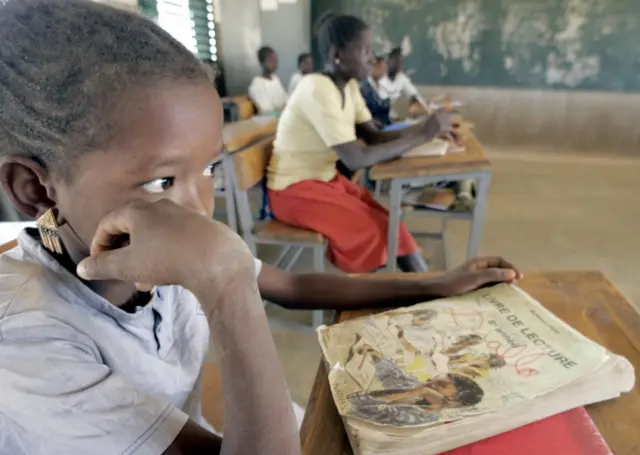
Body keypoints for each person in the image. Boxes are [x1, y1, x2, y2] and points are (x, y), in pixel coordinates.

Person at [0, 1, 522, 454]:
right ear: (36, 190)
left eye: (207, 170)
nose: (198, 210)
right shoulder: (24, 335)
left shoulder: (162, 246)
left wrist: (434, 283)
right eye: (161, 181)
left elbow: (291, 285)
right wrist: (224, 284)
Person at [267, 13, 457, 273]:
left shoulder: (349, 87)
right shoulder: (316, 88)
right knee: (371, 230)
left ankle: (427, 286)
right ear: (337, 56)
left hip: (324, 180)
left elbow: (375, 137)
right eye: (365, 49)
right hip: (293, 190)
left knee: (389, 221)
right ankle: (403, 291)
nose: (372, 57)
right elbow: (355, 159)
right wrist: (422, 135)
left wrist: (428, 128)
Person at [248, 46, 288, 115]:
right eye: (271, 60)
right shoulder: (257, 84)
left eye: (276, 60)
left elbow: (286, 100)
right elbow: (267, 111)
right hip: (269, 123)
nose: (275, 64)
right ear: (262, 62)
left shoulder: (275, 79)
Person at [360, 56, 392, 127]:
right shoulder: (364, 88)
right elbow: (363, 116)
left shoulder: (383, 86)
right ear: (373, 67)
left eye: (385, 68)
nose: (384, 71)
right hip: (372, 129)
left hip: (386, 126)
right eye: (381, 68)